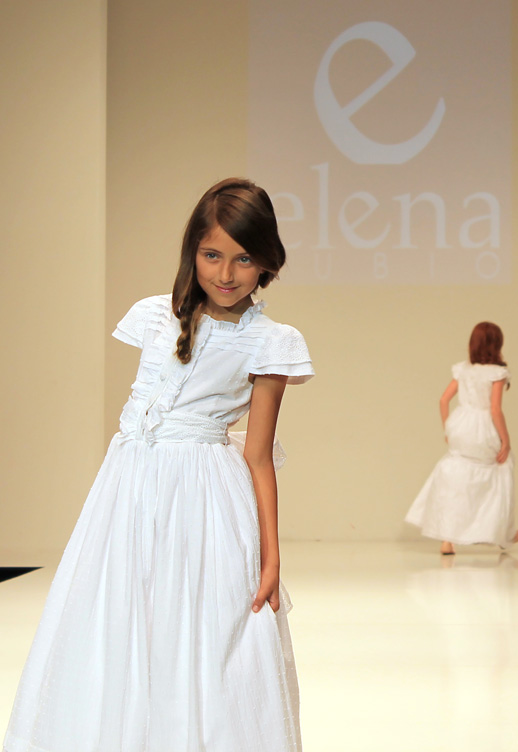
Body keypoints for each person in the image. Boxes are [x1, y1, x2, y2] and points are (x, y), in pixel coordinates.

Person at [3, 178, 314, 752]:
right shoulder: (153, 316)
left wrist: (271, 556)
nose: (226, 273)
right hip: (127, 491)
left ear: (267, 260)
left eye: (244, 258)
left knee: (206, 630)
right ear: (192, 251)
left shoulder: (272, 341)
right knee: (117, 620)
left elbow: (258, 454)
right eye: (212, 255)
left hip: (205, 500)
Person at [405, 322, 518, 555]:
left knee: (457, 474)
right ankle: (503, 535)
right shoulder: (497, 372)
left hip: (461, 426)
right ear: (497, 344)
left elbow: (443, 400)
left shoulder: (463, 369)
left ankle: (447, 540)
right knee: (501, 469)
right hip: (483, 428)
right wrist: (506, 440)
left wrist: (448, 429)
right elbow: (495, 410)